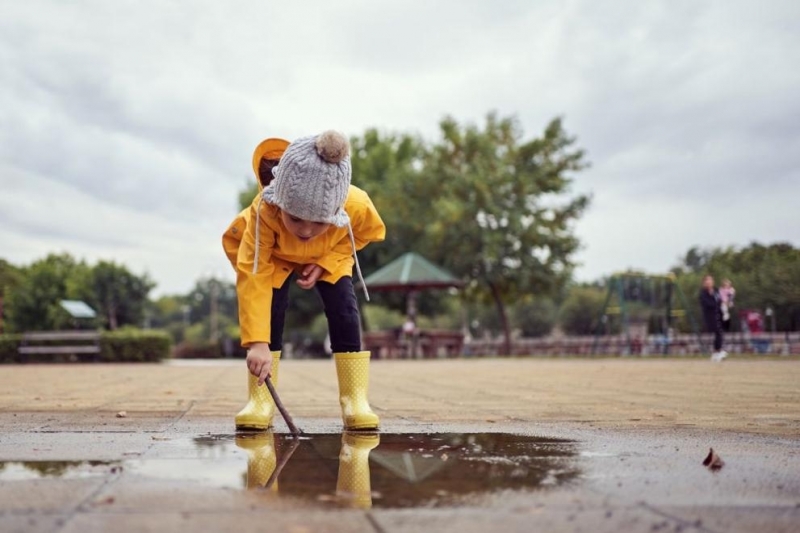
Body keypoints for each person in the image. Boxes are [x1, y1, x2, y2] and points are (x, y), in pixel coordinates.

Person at [226, 130, 386, 431]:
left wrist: (324, 262)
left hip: (329, 254)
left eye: (319, 222)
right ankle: (260, 401)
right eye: (296, 218)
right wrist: (257, 344)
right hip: (274, 257)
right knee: (272, 307)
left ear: (337, 211)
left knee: (345, 309)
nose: (307, 230)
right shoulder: (264, 213)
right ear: (280, 201)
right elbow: (254, 274)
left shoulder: (357, 207)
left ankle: (354, 399)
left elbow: (367, 234)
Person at [699, 275, 727, 362]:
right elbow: (708, 304)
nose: (709, 283)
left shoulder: (716, 290)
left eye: (710, 281)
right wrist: (715, 302)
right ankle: (718, 351)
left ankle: (716, 352)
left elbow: (720, 300)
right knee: (718, 331)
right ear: (704, 283)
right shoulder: (703, 293)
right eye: (707, 281)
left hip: (718, 314)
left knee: (719, 332)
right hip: (709, 316)